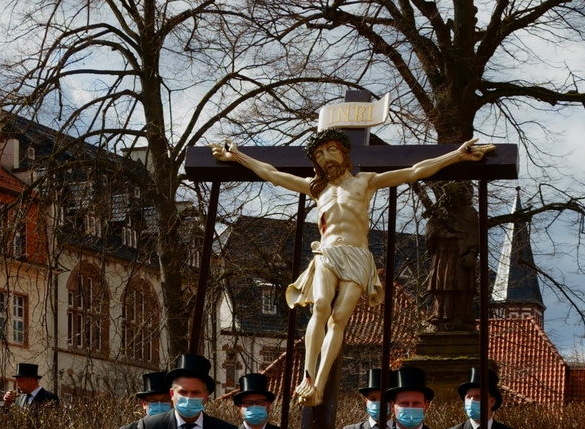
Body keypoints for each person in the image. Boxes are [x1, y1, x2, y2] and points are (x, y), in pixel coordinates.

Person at [210, 130, 494, 405]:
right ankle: (308, 378)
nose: (325, 157)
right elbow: (272, 175)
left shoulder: (365, 182)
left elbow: (414, 171)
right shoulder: (316, 188)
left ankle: (319, 384)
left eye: (331, 150)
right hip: (327, 253)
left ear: (344, 154)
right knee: (320, 307)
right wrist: (238, 157)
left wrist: (457, 155)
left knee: (339, 318)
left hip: (357, 255)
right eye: (319, 153)